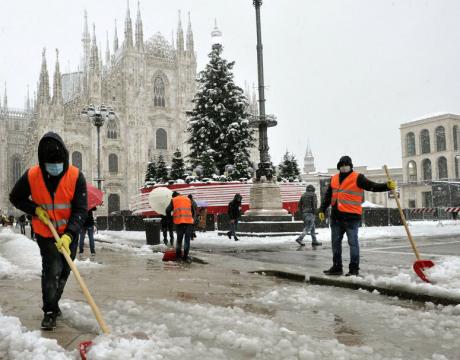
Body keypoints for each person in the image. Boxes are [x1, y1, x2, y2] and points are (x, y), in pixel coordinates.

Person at [9, 132, 87, 330]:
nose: (55, 167)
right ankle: (50, 311)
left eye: (58, 163)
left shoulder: (76, 176)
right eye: (50, 164)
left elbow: (80, 209)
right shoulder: (32, 175)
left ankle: (54, 302)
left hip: (69, 233)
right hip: (46, 232)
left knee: (65, 270)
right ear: (42, 162)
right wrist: (34, 210)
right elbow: (15, 197)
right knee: (52, 270)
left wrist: (69, 235)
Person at [319, 155, 395, 277]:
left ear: (350, 166)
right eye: (342, 165)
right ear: (339, 166)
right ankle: (337, 267)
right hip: (336, 217)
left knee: (353, 243)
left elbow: (372, 186)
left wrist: (386, 186)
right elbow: (328, 196)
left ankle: (354, 269)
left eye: (346, 165)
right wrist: (321, 209)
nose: (344, 167)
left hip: (351, 218)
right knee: (335, 243)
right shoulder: (334, 179)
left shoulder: (358, 177)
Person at [166, 191, 195, 262]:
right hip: (189, 222)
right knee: (187, 240)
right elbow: (193, 211)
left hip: (179, 223)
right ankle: (185, 257)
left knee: (179, 240)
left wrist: (170, 219)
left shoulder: (174, 200)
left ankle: (178, 257)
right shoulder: (187, 199)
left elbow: (167, 210)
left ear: (174, 196)